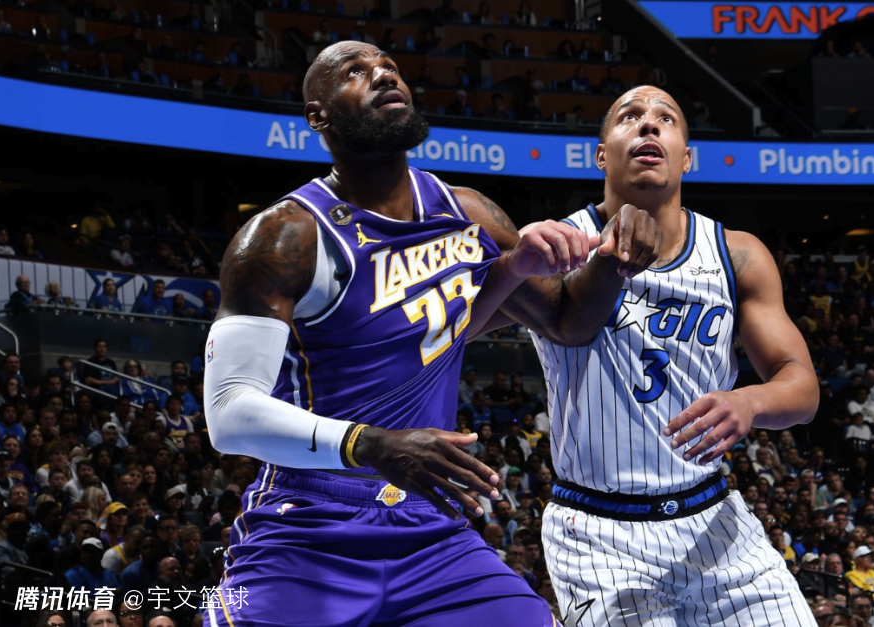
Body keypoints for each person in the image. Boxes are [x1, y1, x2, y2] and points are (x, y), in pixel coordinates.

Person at [201, 41, 594, 627]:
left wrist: (519, 267)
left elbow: (523, 324)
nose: (383, 76)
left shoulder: (468, 214)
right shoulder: (285, 236)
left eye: (390, 68)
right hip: (308, 522)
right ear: (317, 116)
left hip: (430, 527)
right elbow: (228, 413)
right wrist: (373, 445)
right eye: (356, 72)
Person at [493, 85, 819, 624]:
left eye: (665, 118)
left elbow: (802, 386)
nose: (648, 124)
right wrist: (511, 269)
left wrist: (751, 402)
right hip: (597, 533)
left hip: (715, 522)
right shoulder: (556, 245)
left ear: (686, 157)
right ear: (602, 155)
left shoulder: (737, 253)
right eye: (630, 116)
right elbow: (456, 330)